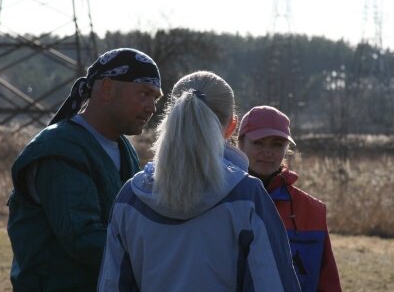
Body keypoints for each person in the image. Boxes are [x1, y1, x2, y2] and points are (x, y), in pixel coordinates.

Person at [97, 71, 301, 292]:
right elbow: (272, 284)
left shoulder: (130, 198)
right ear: (231, 127)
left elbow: (112, 284)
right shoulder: (248, 196)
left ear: (171, 120)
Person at [6, 48, 163, 292]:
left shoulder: (124, 149)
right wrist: (162, 255)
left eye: (156, 98)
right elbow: (83, 239)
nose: (152, 107)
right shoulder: (60, 150)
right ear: (108, 88)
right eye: (144, 94)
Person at [237, 105, 342, 292]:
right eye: (259, 142)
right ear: (240, 144)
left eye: (277, 144)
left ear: (286, 149)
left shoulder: (312, 210)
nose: (267, 152)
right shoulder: (221, 200)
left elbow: (328, 282)